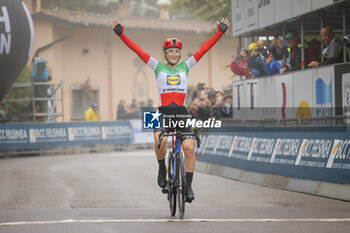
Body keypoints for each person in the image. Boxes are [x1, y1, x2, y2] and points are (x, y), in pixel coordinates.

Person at [112, 17, 230, 203]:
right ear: (165, 53)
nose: (174, 54)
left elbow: (204, 49)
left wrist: (220, 32)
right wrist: (122, 35)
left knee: (189, 147)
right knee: (161, 139)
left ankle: (188, 186)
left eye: (176, 51)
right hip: (162, 111)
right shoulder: (156, 66)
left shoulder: (187, 65)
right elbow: (138, 50)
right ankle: (161, 168)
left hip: (181, 112)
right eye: (170, 51)